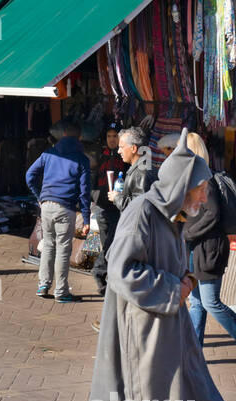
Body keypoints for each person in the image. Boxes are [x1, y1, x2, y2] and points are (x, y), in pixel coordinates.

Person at [78, 129, 236, 401]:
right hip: (139, 334)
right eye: (201, 189)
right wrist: (177, 287)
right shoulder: (141, 213)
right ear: (182, 185)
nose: (205, 197)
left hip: (166, 330)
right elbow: (123, 272)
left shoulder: (171, 219)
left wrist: (182, 281)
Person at [182, 132, 236, 367]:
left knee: (210, 302)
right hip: (200, 249)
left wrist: (186, 233)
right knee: (197, 301)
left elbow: (212, 215)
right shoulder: (195, 179)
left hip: (209, 249)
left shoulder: (204, 181)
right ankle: (193, 353)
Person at [26, 119, 91, 303]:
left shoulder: (48, 153)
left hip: (46, 206)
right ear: (79, 137)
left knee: (48, 245)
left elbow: (30, 175)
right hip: (66, 208)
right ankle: (61, 292)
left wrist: (40, 196)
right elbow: (85, 191)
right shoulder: (82, 159)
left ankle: (43, 285)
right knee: (63, 249)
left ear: (62, 135)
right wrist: (86, 218)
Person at [90, 125, 125, 297]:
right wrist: (93, 200)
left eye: (115, 136)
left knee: (113, 243)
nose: (112, 139)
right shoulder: (99, 156)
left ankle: (104, 276)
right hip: (102, 207)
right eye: (109, 136)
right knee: (105, 243)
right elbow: (91, 180)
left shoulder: (123, 158)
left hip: (119, 207)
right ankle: (101, 276)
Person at [108, 126, 153, 212]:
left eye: (121, 147)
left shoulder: (141, 173)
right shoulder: (140, 168)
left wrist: (117, 198)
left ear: (133, 148)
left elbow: (140, 206)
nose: (119, 151)